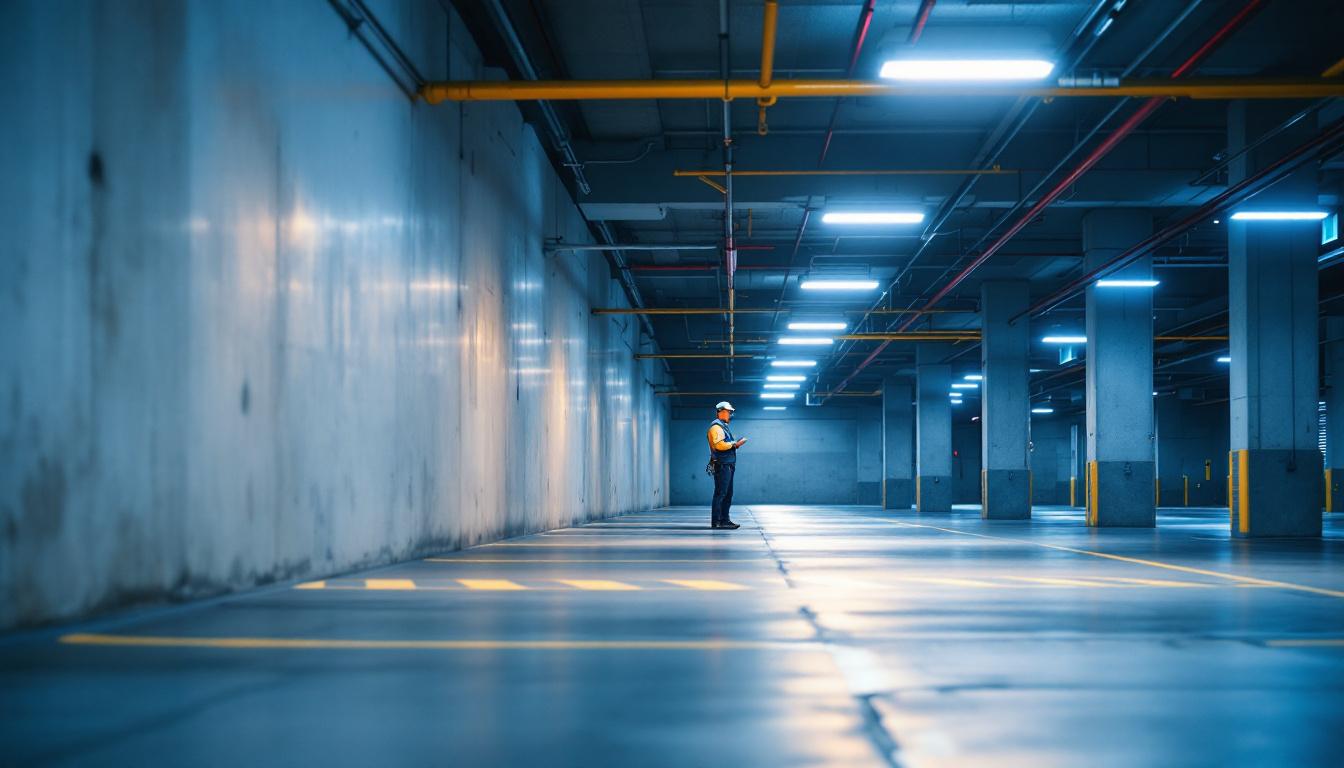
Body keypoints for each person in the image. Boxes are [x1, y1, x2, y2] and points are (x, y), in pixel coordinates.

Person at [707, 401, 747, 530]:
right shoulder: (716, 427)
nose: (730, 415)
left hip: (727, 464)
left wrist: (734, 444)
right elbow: (719, 445)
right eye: (729, 412)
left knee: (727, 494)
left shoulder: (723, 427)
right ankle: (717, 521)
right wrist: (735, 444)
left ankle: (724, 520)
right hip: (722, 465)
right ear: (721, 411)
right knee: (721, 494)